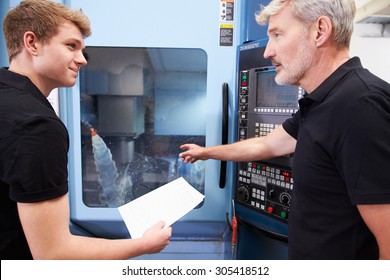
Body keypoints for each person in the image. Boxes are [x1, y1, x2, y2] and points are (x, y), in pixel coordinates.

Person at [180, 0, 390, 260]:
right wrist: (207, 152)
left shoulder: (361, 105)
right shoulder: (320, 101)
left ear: (320, 31)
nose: (268, 51)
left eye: (277, 35)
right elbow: (267, 145)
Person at [0, 0, 171, 260]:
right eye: (71, 46)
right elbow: (54, 254)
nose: (81, 60)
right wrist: (144, 245)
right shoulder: (37, 126)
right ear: (32, 43)